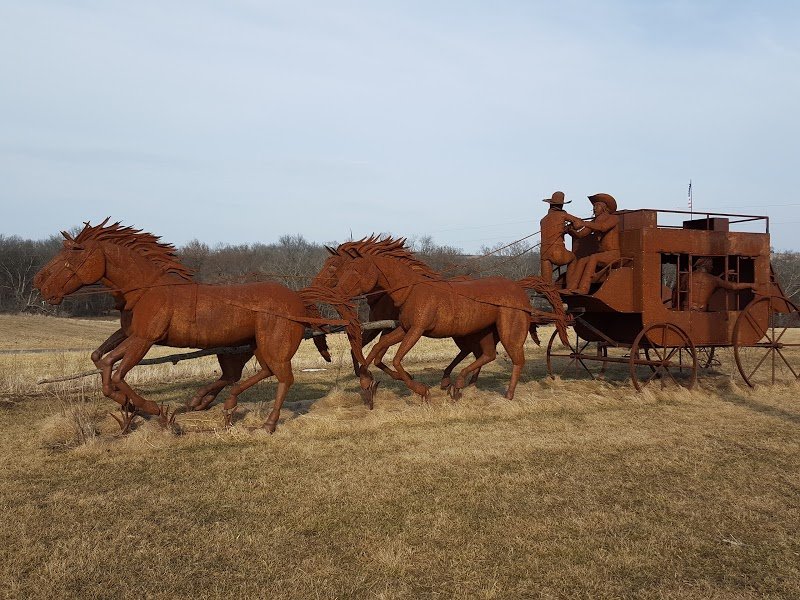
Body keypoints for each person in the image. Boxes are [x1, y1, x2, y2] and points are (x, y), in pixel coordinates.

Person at [565, 193, 621, 294]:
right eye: (593, 206)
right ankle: (571, 288)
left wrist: (584, 223)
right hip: (602, 255)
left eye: (596, 206)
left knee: (593, 258)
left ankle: (584, 288)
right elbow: (581, 234)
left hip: (612, 254)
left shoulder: (613, 218)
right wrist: (570, 230)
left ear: (603, 207)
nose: (594, 209)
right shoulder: (595, 221)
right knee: (582, 260)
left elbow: (602, 227)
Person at [675, 257, 755, 311]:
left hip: (686, 308)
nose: (712, 267)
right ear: (706, 265)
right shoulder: (713, 280)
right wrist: (751, 285)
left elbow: (678, 290)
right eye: (711, 264)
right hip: (701, 310)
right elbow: (734, 286)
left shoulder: (687, 276)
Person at [539, 191, 580, 285]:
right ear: (561, 205)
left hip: (544, 254)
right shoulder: (562, 215)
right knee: (573, 258)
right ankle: (570, 285)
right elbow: (578, 224)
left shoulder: (543, 219)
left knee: (546, 284)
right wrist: (569, 228)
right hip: (557, 251)